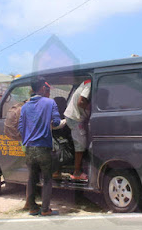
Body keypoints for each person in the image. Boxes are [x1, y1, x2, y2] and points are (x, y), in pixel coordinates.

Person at [18, 76, 61, 216]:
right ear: (43, 88)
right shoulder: (50, 103)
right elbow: (56, 122)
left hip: (29, 148)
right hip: (44, 147)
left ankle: (32, 207)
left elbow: (20, 127)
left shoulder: (24, 107)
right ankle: (45, 209)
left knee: (31, 178)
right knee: (47, 179)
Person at [63, 79, 92, 181]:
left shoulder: (85, 82)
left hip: (73, 116)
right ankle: (77, 172)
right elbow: (81, 102)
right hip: (75, 117)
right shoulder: (90, 84)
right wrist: (92, 108)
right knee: (80, 143)